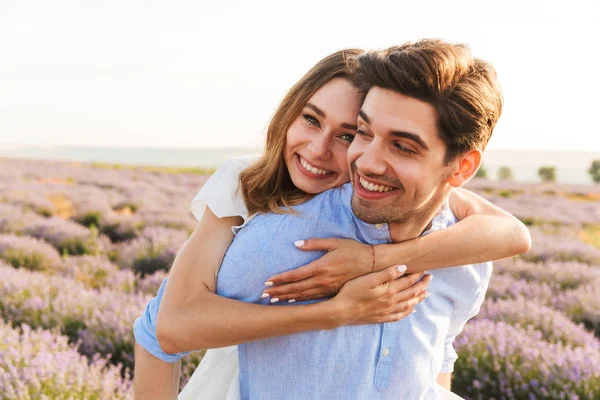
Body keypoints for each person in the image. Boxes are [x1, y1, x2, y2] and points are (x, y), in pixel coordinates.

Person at [133, 43, 530, 399]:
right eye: (312, 119)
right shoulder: (259, 211)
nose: (321, 151)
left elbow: (508, 237)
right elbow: (163, 328)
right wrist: (336, 312)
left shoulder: (452, 233)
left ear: (458, 169)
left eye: (346, 134)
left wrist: (375, 259)